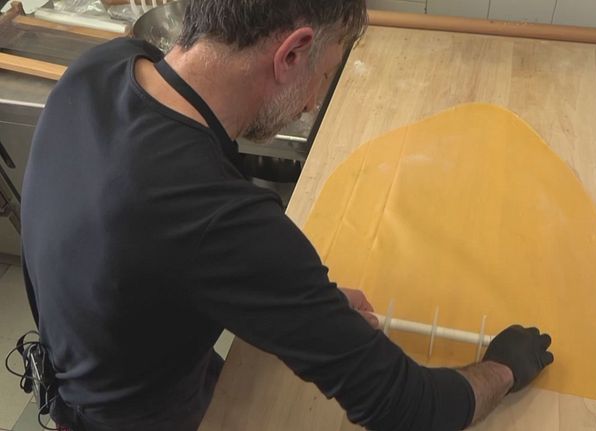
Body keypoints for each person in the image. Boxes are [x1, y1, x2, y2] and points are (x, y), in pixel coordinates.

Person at [20, 0, 554, 430]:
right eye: (326, 74)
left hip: (96, 363)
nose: (312, 101)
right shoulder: (220, 217)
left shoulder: (102, 66)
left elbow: (148, 253)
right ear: (293, 52)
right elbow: (409, 408)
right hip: (139, 415)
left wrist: (296, 302)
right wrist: (504, 368)